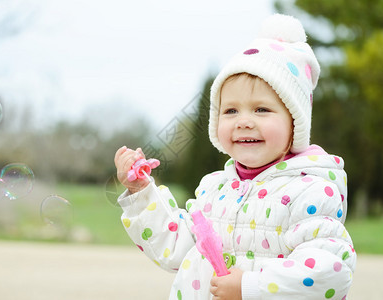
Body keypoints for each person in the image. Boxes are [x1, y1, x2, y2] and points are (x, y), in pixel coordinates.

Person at [114, 14, 356, 299]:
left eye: (261, 109)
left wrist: (251, 286)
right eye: (230, 111)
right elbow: (177, 248)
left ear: (295, 123)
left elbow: (331, 271)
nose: (243, 121)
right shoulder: (215, 189)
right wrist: (142, 193)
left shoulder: (310, 191)